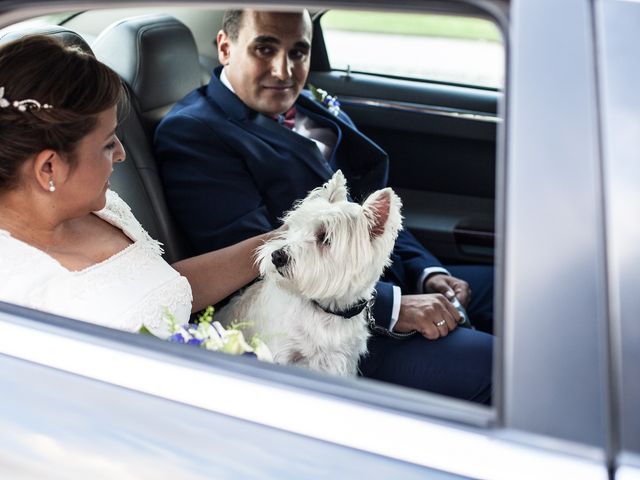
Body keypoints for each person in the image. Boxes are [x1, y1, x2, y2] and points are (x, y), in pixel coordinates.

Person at [155, 10, 494, 403]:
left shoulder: (310, 106)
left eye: (298, 52)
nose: (284, 71)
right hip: (322, 329)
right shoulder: (195, 133)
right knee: (501, 371)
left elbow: (369, 215)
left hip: (382, 277)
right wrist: (393, 306)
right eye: (264, 48)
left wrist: (427, 272)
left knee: (523, 295)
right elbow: (261, 264)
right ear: (226, 48)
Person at [0, 35, 271, 342]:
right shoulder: (13, 289)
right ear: (48, 167)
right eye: (107, 143)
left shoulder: (105, 208)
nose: (121, 154)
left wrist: (276, 242)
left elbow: (166, 288)